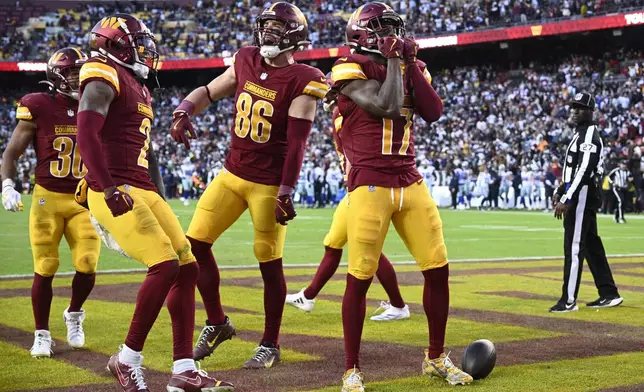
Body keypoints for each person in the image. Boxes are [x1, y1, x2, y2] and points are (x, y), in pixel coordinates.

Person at [76, 14, 233, 391]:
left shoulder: (137, 83)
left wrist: (157, 195)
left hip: (142, 185)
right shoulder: (102, 72)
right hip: (114, 186)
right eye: (138, 44)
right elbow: (85, 132)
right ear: (114, 44)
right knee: (163, 265)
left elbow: (145, 150)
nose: (146, 51)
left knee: (188, 267)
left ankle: (183, 370)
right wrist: (107, 186)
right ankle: (126, 359)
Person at [170, 2, 328, 369]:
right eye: (267, 25)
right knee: (193, 246)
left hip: (269, 184)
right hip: (231, 173)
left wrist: (287, 190)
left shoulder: (305, 78)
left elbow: (299, 143)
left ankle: (270, 342)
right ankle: (217, 322)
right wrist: (184, 110)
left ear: (295, 35)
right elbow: (209, 91)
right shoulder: (245, 58)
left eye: (278, 27)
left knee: (269, 264)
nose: (269, 32)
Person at [331, 3, 472, 390]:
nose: (389, 33)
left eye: (392, 27)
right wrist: (396, 61)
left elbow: (433, 111)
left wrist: (410, 63)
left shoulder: (411, 66)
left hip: (409, 180)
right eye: (380, 27)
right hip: (369, 184)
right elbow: (387, 105)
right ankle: (352, 368)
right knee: (359, 276)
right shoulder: (348, 67)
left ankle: (436, 357)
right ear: (360, 33)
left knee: (437, 268)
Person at [1, 47, 101, 358]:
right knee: (45, 266)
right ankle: (42, 334)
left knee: (88, 264)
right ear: (55, 75)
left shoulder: (99, 102)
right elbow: (11, 153)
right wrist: (7, 184)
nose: (75, 76)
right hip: (48, 198)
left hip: (85, 198)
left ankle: (73, 314)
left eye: (78, 71)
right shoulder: (39, 105)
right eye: (69, 71)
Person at [285, 87, 409, 322]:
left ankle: (398, 305)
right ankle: (308, 296)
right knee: (333, 244)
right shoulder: (341, 114)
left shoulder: (347, 114)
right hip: (356, 189)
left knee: (366, 249)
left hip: (364, 189)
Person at [551, 92, 623, 313]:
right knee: (592, 246)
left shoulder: (590, 134)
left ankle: (569, 300)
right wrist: (560, 188)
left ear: (590, 112)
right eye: (573, 107)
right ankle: (609, 293)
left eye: (580, 108)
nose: (575, 111)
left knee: (573, 247)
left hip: (582, 195)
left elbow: (584, 169)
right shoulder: (581, 133)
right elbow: (573, 169)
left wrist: (567, 197)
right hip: (580, 193)